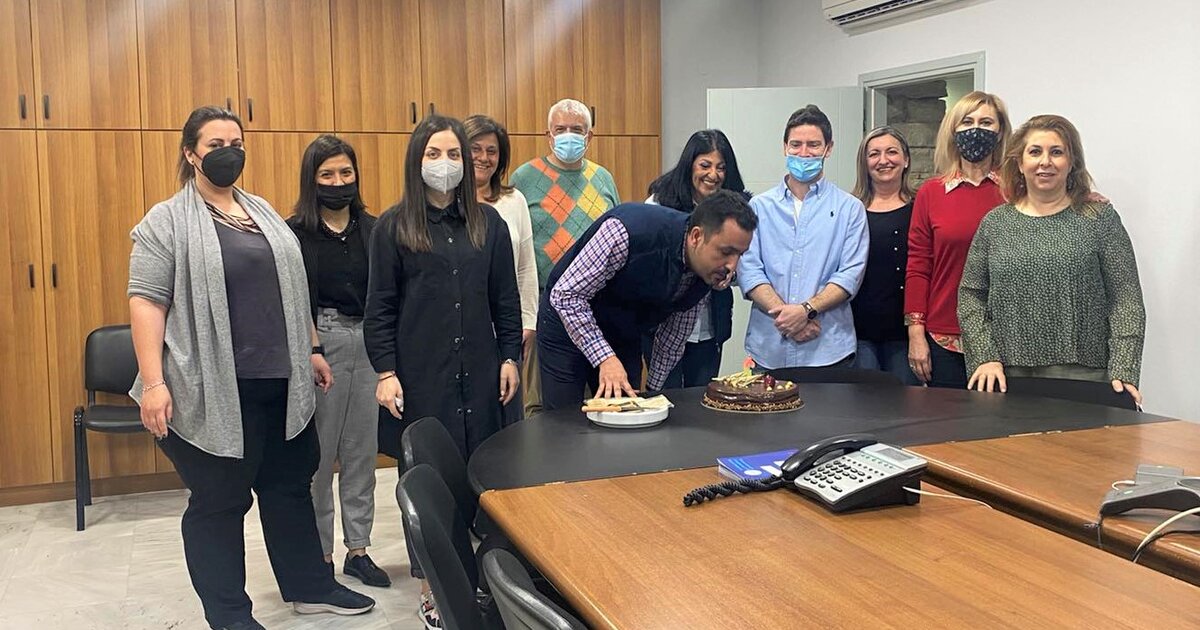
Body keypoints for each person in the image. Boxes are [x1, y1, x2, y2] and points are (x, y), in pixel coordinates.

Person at [128, 106, 375, 630]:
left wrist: (311, 349)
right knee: (221, 500)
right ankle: (229, 615)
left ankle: (309, 587)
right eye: (215, 144)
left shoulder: (259, 210)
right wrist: (153, 383)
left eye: (236, 143)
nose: (229, 153)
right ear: (191, 154)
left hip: (281, 382)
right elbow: (146, 300)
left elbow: (292, 289)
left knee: (289, 487)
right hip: (211, 388)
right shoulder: (165, 221)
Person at [363, 115, 522, 629]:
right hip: (421, 376)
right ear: (417, 160)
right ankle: (432, 585)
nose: (446, 163)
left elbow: (506, 300)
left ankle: (491, 578)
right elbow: (380, 308)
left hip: (482, 374)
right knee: (427, 480)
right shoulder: (393, 227)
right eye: (434, 154)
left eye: (454, 154)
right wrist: (385, 372)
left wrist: (510, 358)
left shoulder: (489, 225)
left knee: (486, 477)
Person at [958, 114, 1145, 404]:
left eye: (1056, 152)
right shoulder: (995, 224)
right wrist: (984, 356)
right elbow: (971, 295)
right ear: (1020, 163)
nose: (1045, 162)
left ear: (1072, 163)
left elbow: (1125, 299)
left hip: (1085, 377)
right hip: (1006, 376)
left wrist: (1124, 368)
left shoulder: (1098, 219)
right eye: (1035, 152)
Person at [538, 190, 757, 411]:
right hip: (567, 322)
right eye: (726, 252)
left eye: (740, 254)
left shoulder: (706, 272)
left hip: (622, 330)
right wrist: (605, 358)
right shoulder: (628, 231)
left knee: (629, 414)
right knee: (566, 419)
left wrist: (653, 392)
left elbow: (673, 338)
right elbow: (566, 296)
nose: (732, 266)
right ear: (696, 237)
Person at [286, 135, 389, 588]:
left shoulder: (376, 229)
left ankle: (358, 550)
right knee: (320, 456)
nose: (338, 181)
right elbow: (293, 300)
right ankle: (321, 555)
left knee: (361, 453)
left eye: (345, 173)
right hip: (319, 342)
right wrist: (311, 350)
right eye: (327, 174)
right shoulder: (295, 233)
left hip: (368, 341)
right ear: (312, 180)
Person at [738, 104, 868, 372]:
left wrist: (806, 310)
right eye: (796, 145)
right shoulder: (758, 208)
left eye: (813, 145)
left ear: (828, 149)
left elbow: (850, 275)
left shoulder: (850, 209)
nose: (804, 153)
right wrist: (788, 318)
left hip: (829, 351)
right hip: (768, 350)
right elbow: (749, 270)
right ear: (784, 147)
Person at [511, 98, 620, 415]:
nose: (568, 136)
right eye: (560, 130)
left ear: (589, 136)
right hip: (545, 306)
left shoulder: (603, 178)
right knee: (545, 404)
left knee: (601, 401)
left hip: (598, 307)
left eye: (576, 129)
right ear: (548, 135)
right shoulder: (524, 178)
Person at [904, 91, 1011, 389]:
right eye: (967, 122)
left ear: (1000, 131)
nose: (976, 130)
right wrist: (915, 332)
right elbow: (918, 265)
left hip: (1005, 335)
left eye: (986, 122)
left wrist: (1083, 199)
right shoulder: (931, 193)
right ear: (952, 130)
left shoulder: (1016, 191)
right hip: (944, 335)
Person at [644, 129, 750, 387]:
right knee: (664, 396)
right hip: (662, 322)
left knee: (702, 397)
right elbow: (649, 262)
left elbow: (745, 261)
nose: (713, 174)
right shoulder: (660, 204)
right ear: (689, 165)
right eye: (705, 165)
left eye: (721, 168)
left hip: (710, 326)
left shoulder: (737, 208)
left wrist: (730, 274)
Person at [465, 114, 538, 422]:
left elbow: (526, 267)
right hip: (465, 328)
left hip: (507, 327)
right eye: (475, 149)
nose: (484, 158)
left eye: (492, 151)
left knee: (506, 411)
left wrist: (528, 321)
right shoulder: (445, 203)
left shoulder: (514, 200)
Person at [849, 126, 919, 385]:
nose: (883, 160)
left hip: (906, 334)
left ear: (906, 159)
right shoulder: (849, 209)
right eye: (874, 154)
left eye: (892, 152)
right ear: (864, 163)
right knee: (866, 404)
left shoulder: (921, 207)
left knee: (907, 404)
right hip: (858, 332)